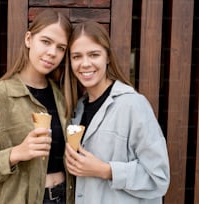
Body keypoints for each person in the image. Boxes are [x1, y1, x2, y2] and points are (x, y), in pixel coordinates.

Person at [0, 9, 75, 204]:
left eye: (61, 48)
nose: (52, 53)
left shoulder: (62, 98)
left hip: (65, 197)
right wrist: (17, 153)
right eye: (46, 41)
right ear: (28, 39)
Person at [63, 20, 170, 204]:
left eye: (94, 54)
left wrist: (106, 170)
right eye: (76, 56)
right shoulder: (78, 109)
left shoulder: (133, 105)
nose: (85, 64)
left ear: (108, 57)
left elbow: (159, 178)